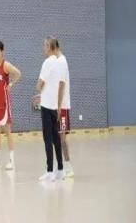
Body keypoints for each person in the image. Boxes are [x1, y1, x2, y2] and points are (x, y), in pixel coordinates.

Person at [0, 41, 21, 170]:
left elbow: (18, 73)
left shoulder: (6, 65)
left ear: (2, 52)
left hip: (4, 103)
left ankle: (12, 161)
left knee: (7, 132)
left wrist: (11, 84)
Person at [36, 37, 66, 182]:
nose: (43, 48)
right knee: (56, 138)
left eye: (45, 45)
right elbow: (61, 85)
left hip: (47, 106)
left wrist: (39, 87)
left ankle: (49, 171)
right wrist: (59, 105)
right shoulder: (60, 62)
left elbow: (39, 85)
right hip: (54, 106)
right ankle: (60, 169)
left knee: (47, 138)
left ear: (50, 47)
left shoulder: (47, 62)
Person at [56, 40, 74, 177]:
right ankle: (60, 167)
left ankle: (69, 167)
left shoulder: (62, 61)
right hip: (57, 106)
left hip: (62, 106)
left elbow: (61, 86)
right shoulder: (57, 61)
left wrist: (58, 106)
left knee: (62, 138)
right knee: (57, 137)